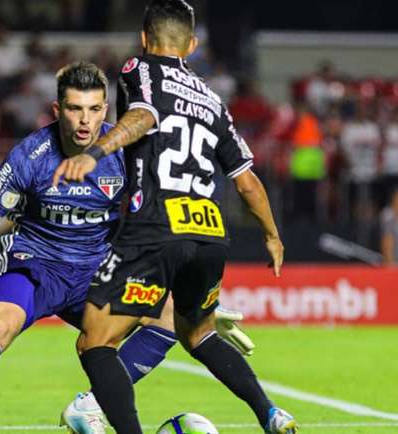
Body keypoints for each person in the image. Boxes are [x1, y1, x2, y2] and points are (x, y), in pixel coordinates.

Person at [0, 61, 252, 434]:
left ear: (106, 110)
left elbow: (161, 226)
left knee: (170, 316)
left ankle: (89, 406)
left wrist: (199, 304)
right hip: (35, 266)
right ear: (57, 110)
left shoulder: (127, 154)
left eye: (95, 109)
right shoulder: (30, 156)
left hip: (96, 275)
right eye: (75, 109)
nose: (85, 120)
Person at [51, 1, 297, 433]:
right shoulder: (213, 100)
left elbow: (144, 116)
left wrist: (97, 152)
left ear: (145, 39)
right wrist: (272, 236)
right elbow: (247, 182)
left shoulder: (139, 70)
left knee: (94, 340)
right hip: (210, 233)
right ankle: (271, 413)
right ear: (192, 45)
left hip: (156, 225)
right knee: (198, 333)